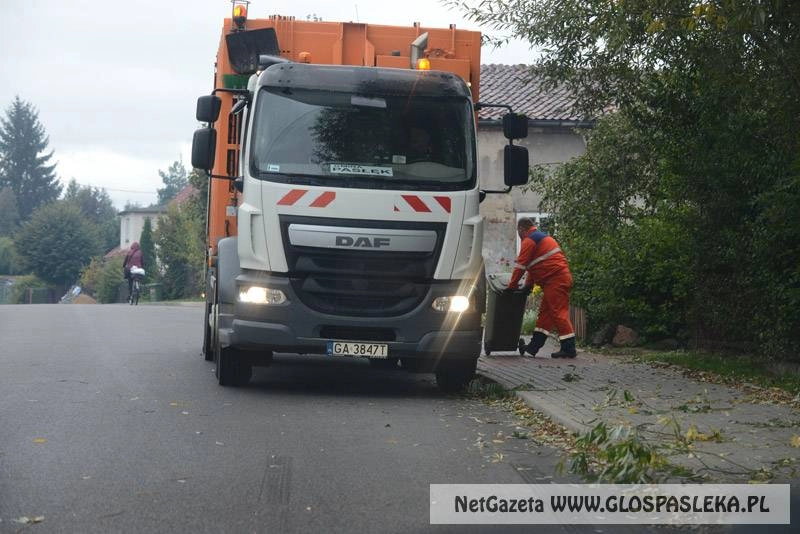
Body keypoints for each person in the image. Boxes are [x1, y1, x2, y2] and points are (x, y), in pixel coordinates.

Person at [506, 218, 576, 358]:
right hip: (556, 279)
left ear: (521, 229)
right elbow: (533, 266)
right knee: (546, 314)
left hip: (555, 279)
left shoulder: (529, 240)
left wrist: (511, 286)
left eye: (518, 231)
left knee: (558, 312)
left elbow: (521, 266)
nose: (519, 235)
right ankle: (534, 346)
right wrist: (528, 285)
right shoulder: (539, 238)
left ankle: (569, 348)